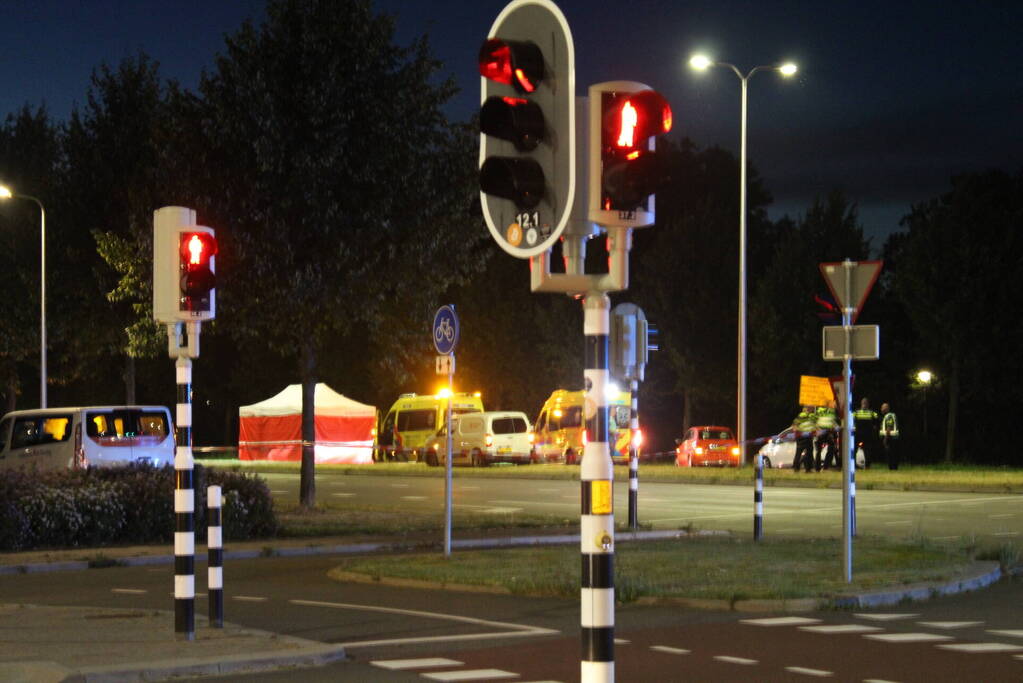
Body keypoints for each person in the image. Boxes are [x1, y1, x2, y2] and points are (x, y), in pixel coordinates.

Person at [852, 398, 879, 469]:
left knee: (868, 451)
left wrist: (874, 427)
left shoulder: (872, 412)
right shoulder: (856, 412)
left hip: (867, 435)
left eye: (865, 403)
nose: (864, 404)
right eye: (863, 402)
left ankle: (867, 466)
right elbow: (851, 419)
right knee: (854, 450)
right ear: (861, 403)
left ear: (868, 404)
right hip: (858, 434)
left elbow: (877, 420)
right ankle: (854, 465)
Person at [792, 405, 817, 472]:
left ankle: (796, 468)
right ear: (809, 409)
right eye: (812, 408)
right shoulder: (811, 416)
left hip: (800, 437)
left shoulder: (800, 415)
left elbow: (794, 425)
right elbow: (815, 425)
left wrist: (797, 432)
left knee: (798, 452)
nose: (813, 410)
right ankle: (808, 469)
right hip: (807, 436)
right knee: (808, 453)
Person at [816, 400, 839, 470]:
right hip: (823, 431)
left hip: (827, 432)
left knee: (830, 449)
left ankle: (823, 466)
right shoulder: (821, 410)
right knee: (821, 450)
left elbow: (833, 420)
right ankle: (821, 467)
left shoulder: (830, 411)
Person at [880, 402, 900, 469]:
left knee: (891, 455)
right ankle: (893, 468)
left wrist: (885, 439)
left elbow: (889, 427)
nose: (881, 409)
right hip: (892, 438)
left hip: (891, 438)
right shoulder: (890, 415)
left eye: (883, 408)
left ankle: (892, 468)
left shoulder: (889, 416)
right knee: (893, 454)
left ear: (887, 408)